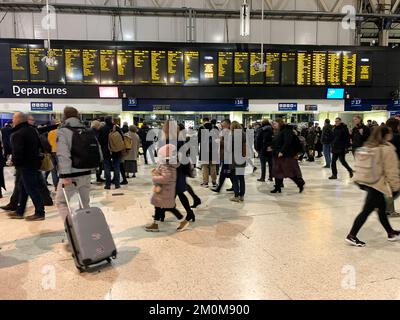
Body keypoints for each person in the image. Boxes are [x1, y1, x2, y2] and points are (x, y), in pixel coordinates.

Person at [346, 125, 400, 247]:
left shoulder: (368, 146)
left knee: (381, 209)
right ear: (386, 135)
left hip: (366, 182)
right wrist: (395, 186)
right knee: (366, 211)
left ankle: (390, 233)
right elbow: (391, 170)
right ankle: (351, 235)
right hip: (377, 184)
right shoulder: (387, 149)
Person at [55, 107, 96, 223]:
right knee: (84, 204)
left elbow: (63, 155)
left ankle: (73, 235)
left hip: (71, 174)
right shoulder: (87, 130)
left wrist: (65, 175)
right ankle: (86, 232)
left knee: (61, 202)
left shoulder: (63, 131)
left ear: (64, 116)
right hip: (86, 173)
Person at [7, 112, 45, 221]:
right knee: (23, 188)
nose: (12, 120)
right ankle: (20, 212)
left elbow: (18, 151)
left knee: (31, 189)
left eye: (14, 118)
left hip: (24, 165)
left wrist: (14, 162)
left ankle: (40, 213)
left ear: (19, 120)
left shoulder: (18, 133)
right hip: (33, 163)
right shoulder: (32, 130)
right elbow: (40, 146)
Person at [145, 144, 189, 233]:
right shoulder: (166, 164)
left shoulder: (169, 166)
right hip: (162, 190)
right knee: (157, 206)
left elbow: (166, 178)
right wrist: (157, 171)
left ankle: (183, 221)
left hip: (166, 191)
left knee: (169, 208)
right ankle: (155, 224)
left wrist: (155, 178)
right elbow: (162, 172)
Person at [270, 119, 305, 194]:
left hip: (285, 155)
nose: (273, 125)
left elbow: (287, 142)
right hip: (277, 154)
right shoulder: (279, 131)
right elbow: (278, 141)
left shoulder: (287, 130)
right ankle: (277, 187)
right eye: (273, 123)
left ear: (280, 123)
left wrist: (282, 151)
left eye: (275, 123)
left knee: (288, 171)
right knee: (277, 171)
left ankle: (300, 183)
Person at [98, 116, 124, 190]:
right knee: (116, 166)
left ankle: (108, 184)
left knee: (107, 166)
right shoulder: (117, 128)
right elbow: (122, 138)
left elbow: (99, 140)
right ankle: (117, 184)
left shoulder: (102, 129)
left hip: (106, 150)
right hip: (116, 150)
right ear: (112, 120)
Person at [211, 119, 234, 193]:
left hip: (227, 156)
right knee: (228, 172)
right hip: (224, 155)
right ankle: (234, 186)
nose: (222, 125)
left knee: (223, 173)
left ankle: (219, 188)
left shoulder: (229, 132)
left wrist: (219, 141)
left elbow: (229, 144)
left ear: (228, 124)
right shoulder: (225, 131)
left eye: (223, 124)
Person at [385, 118, 400, 217]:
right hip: (396, 165)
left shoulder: (384, 137)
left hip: (386, 165)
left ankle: (386, 208)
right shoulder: (397, 137)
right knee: (394, 188)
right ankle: (388, 209)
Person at [230, 121, 247, 202]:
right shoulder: (243, 134)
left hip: (234, 159)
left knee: (235, 178)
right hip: (242, 158)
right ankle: (242, 196)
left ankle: (236, 196)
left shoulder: (232, 135)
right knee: (241, 178)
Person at [199, 120, 218, 188]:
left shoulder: (201, 129)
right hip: (213, 151)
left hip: (204, 150)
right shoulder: (215, 129)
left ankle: (205, 182)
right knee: (213, 167)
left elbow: (198, 140)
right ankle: (214, 182)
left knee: (205, 167)